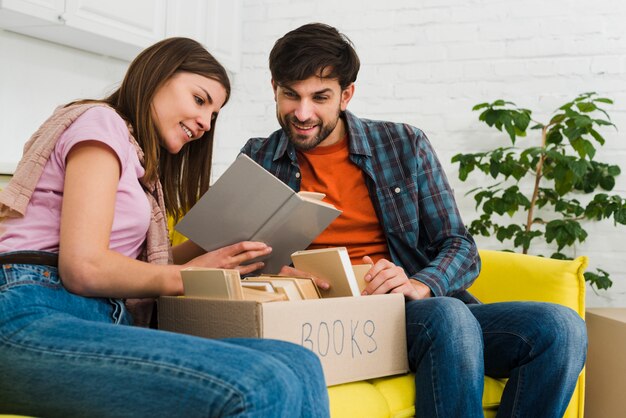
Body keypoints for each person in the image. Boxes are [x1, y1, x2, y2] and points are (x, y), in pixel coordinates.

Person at [241, 23, 587, 418]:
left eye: (319, 97)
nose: (302, 113)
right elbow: (237, 261)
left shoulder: (403, 144)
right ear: (274, 87)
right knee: (448, 315)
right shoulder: (260, 157)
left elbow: (460, 245)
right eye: (291, 95)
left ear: (346, 94)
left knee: (561, 329)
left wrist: (419, 284)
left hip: (410, 312)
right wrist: (282, 276)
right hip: (322, 319)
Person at [0, 37, 329, 417]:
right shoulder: (100, 122)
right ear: (157, 77)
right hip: (29, 306)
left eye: (214, 114)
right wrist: (189, 275)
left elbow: (132, 268)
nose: (206, 123)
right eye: (200, 100)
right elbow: (84, 268)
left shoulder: (143, 170)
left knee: (300, 362)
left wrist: (228, 244)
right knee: (259, 383)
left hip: (99, 313)